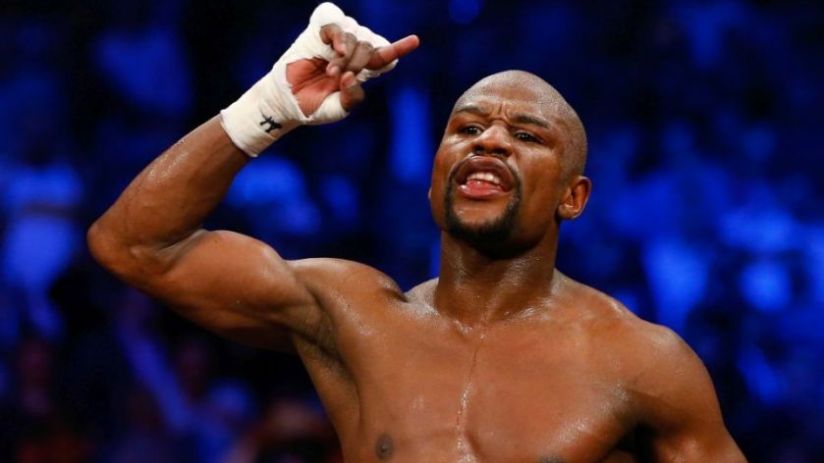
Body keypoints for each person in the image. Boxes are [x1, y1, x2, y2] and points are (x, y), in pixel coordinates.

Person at [88, 3, 746, 462]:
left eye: (525, 135)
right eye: (468, 128)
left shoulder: (641, 363)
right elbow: (134, 245)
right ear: (434, 183)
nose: (489, 141)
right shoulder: (354, 317)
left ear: (573, 198)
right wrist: (271, 105)